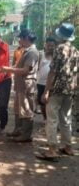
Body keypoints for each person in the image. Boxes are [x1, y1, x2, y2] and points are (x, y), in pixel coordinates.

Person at [39, 23, 79, 159]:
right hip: (70, 90)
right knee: (66, 118)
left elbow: (53, 72)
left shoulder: (59, 49)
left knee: (52, 119)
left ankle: (52, 150)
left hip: (57, 89)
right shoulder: (76, 51)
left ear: (60, 35)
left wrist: (46, 91)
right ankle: (68, 146)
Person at [0, 29, 39, 142]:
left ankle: (26, 135)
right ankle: (18, 130)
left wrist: (8, 69)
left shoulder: (32, 52)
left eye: (20, 38)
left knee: (26, 109)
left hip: (27, 85)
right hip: (21, 85)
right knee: (18, 108)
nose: (19, 40)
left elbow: (26, 70)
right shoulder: (26, 51)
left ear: (26, 39)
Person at [36, 37, 57, 123]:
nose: (50, 47)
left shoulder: (57, 56)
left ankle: (51, 121)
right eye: (49, 45)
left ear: (55, 46)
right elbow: (36, 68)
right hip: (41, 83)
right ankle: (45, 119)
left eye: (52, 46)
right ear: (45, 45)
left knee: (51, 104)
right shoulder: (41, 55)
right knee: (42, 103)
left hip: (53, 84)